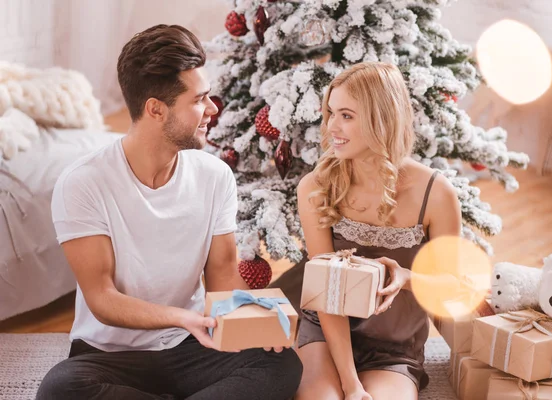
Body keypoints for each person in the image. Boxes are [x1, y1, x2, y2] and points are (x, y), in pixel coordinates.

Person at [36, 24, 302, 400]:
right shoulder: (83, 183)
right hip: (111, 355)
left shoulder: (213, 176)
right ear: (155, 110)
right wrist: (182, 317)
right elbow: (103, 299)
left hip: (191, 347)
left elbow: (224, 275)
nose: (212, 110)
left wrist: (262, 319)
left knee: (281, 364)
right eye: (199, 100)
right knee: (61, 389)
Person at [294, 62, 462, 400]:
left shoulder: (436, 193)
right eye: (330, 113)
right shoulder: (315, 186)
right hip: (327, 334)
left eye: (347, 115)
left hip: (394, 346)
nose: (332, 127)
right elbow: (327, 297)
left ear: (381, 119)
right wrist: (351, 385)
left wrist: (406, 276)